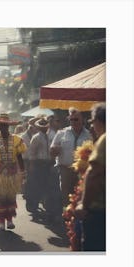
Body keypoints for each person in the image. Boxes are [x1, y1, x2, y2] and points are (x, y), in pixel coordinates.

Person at [0, 113, 27, 230]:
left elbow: (20, 157)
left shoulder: (17, 140)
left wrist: (23, 173)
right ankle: (1, 221)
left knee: (11, 196)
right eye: (1, 125)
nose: (3, 127)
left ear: (9, 126)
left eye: (5, 125)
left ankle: (10, 220)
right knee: (0, 196)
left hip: (12, 171)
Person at [75, 102, 106, 251]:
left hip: (99, 211)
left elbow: (95, 175)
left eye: (93, 122)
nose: (92, 126)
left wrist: (84, 205)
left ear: (99, 121)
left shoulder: (105, 140)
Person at [50, 107, 92, 209]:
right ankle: (67, 217)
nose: (73, 122)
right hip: (65, 169)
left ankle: (77, 219)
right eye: (71, 119)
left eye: (76, 119)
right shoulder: (61, 133)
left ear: (83, 120)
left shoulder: (89, 135)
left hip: (82, 171)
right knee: (65, 195)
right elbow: (51, 150)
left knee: (80, 194)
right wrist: (54, 149)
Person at [26, 117, 51, 213]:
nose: (45, 128)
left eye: (46, 126)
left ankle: (44, 203)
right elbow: (31, 152)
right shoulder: (36, 137)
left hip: (47, 163)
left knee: (45, 185)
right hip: (38, 163)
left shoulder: (49, 136)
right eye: (43, 126)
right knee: (36, 185)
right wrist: (32, 165)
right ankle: (34, 205)